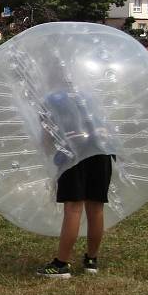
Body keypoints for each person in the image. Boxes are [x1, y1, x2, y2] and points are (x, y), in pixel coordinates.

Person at [36, 90, 114, 279]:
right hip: (101, 150)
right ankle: (91, 260)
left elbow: (47, 136)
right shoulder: (91, 94)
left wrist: (47, 148)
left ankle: (61, 264)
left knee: (73, 208)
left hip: (73, 154)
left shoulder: (52, 98)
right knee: (96, 207)